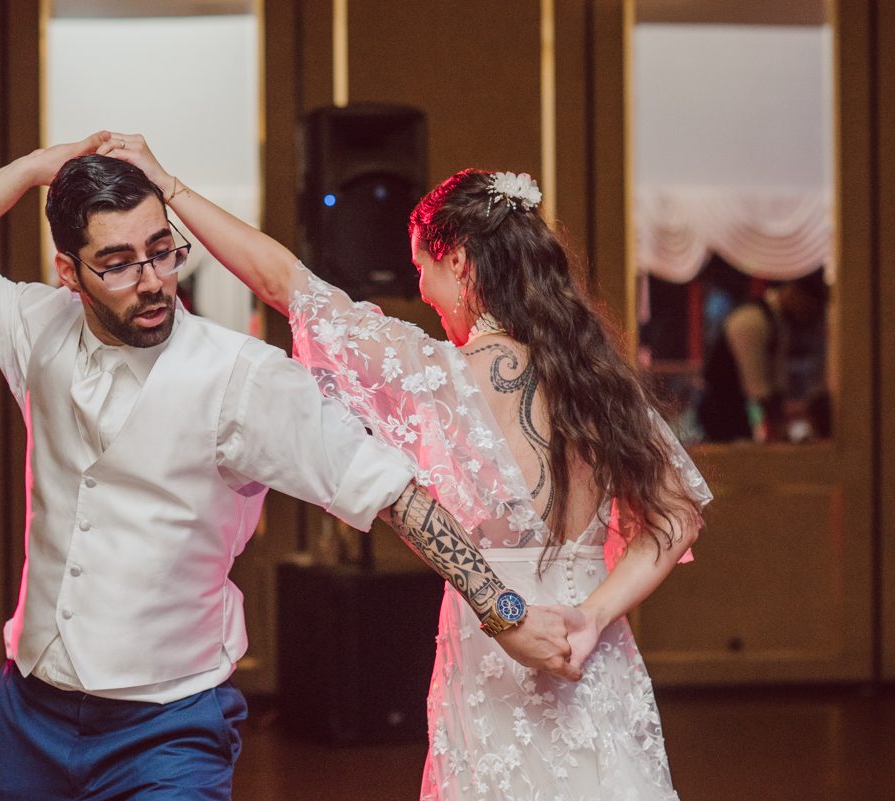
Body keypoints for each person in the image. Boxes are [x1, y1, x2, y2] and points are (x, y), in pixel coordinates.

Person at [0, 132, 582, 801]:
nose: (152, 280)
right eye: (118, 262)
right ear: (69, 271)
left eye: (162, 250)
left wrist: (505, 611)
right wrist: (37, 165)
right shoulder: (34, 324)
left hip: (167, 730)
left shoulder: (242, 376)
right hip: (25, 717)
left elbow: (392, 490)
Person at [107, 134, 713, 801]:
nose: (422, 290)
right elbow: (675, 518)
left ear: (459, 261)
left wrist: (171, 186)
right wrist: (595, 615)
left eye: (423, 267)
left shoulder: (437, 375)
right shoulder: (599, 374)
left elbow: (285, 284)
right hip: (598, 660)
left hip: (494, 657)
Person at [697, 271, 829, 443]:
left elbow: (776, 381)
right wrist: (780, 428)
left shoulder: (777, 322)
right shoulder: (752, 320)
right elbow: (758, 388)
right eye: (808, 307)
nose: (808, 315)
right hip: (722, 414)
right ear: (794, 293)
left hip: (737, 411)